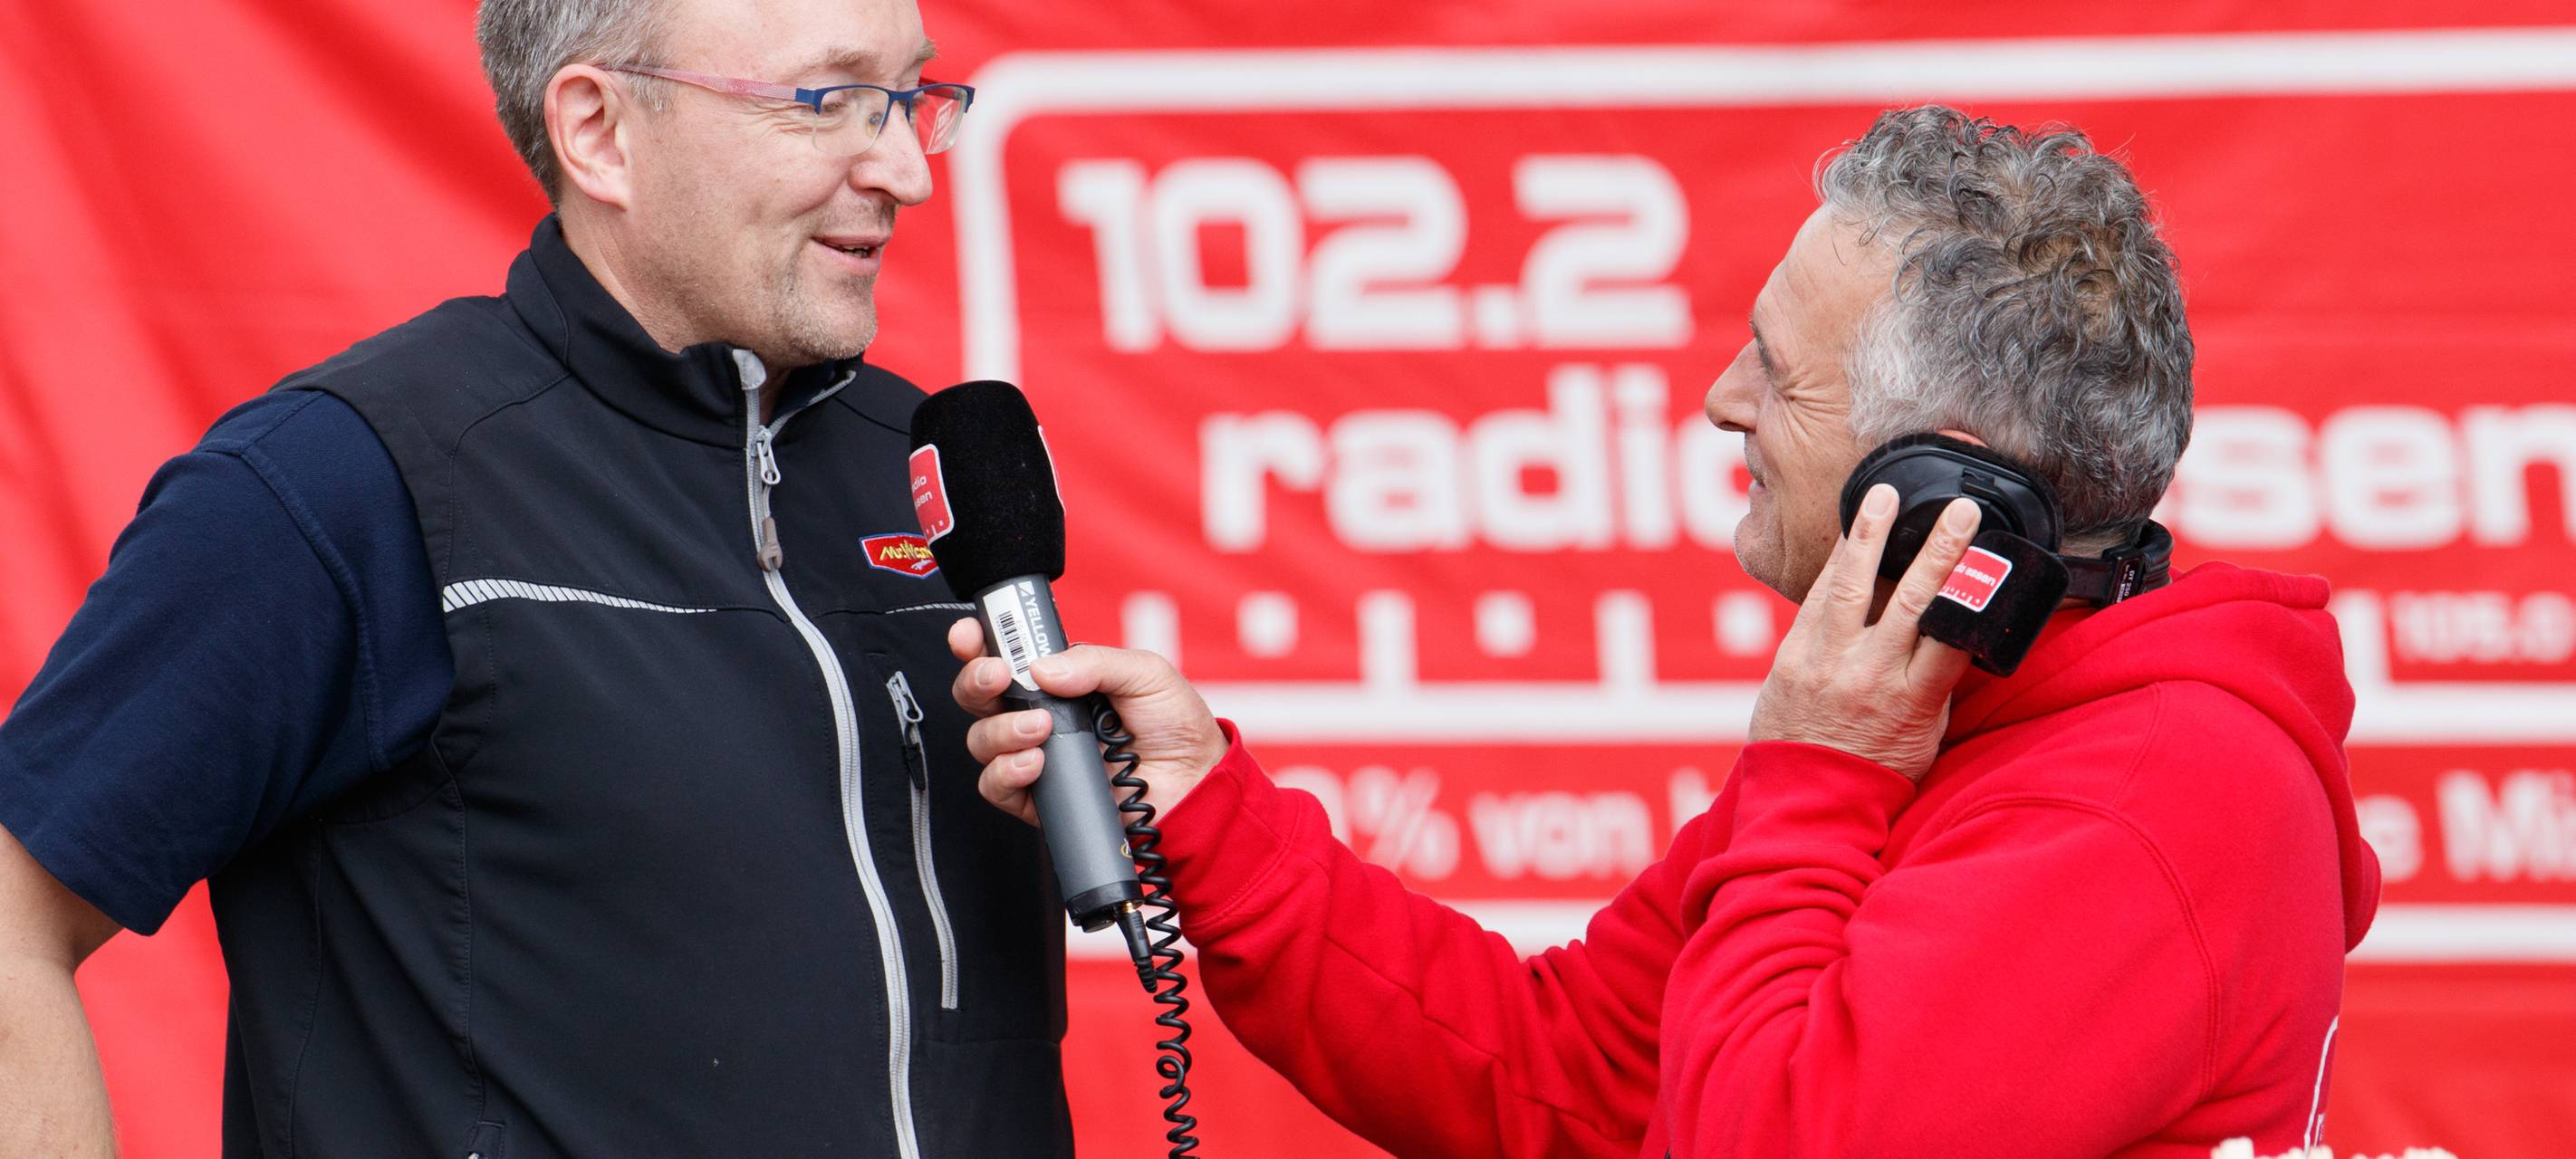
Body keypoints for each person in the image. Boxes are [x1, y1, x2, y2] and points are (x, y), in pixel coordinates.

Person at [950, 106, 2382, 1157]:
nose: (1719, 399)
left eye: (1778, 369)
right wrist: (1209, 815)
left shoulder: (2144, 803)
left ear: (1939, 496)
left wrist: (1817, 772)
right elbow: (1559, 1076)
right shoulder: (1938, 713)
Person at [0, 0, 1072, 1155]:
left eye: (912, 97)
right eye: (830, 104)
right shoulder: (350, 478)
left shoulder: (924, 465)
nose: (906, 169)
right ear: (600, 130)